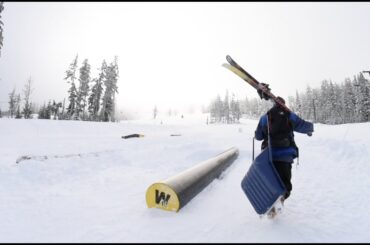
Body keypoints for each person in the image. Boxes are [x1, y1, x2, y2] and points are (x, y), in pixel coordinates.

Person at [254, 96, 314, 206]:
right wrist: (310, 129)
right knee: (284, 183)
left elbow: (258, 136)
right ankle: (280, 201)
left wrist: (258, 132)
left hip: (269, 156)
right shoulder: (290, 116)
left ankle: (271, 207)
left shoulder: (266, 117)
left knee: (269, 181)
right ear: (284, 104)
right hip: (286, 156)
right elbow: (303, 125)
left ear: (274, 104)